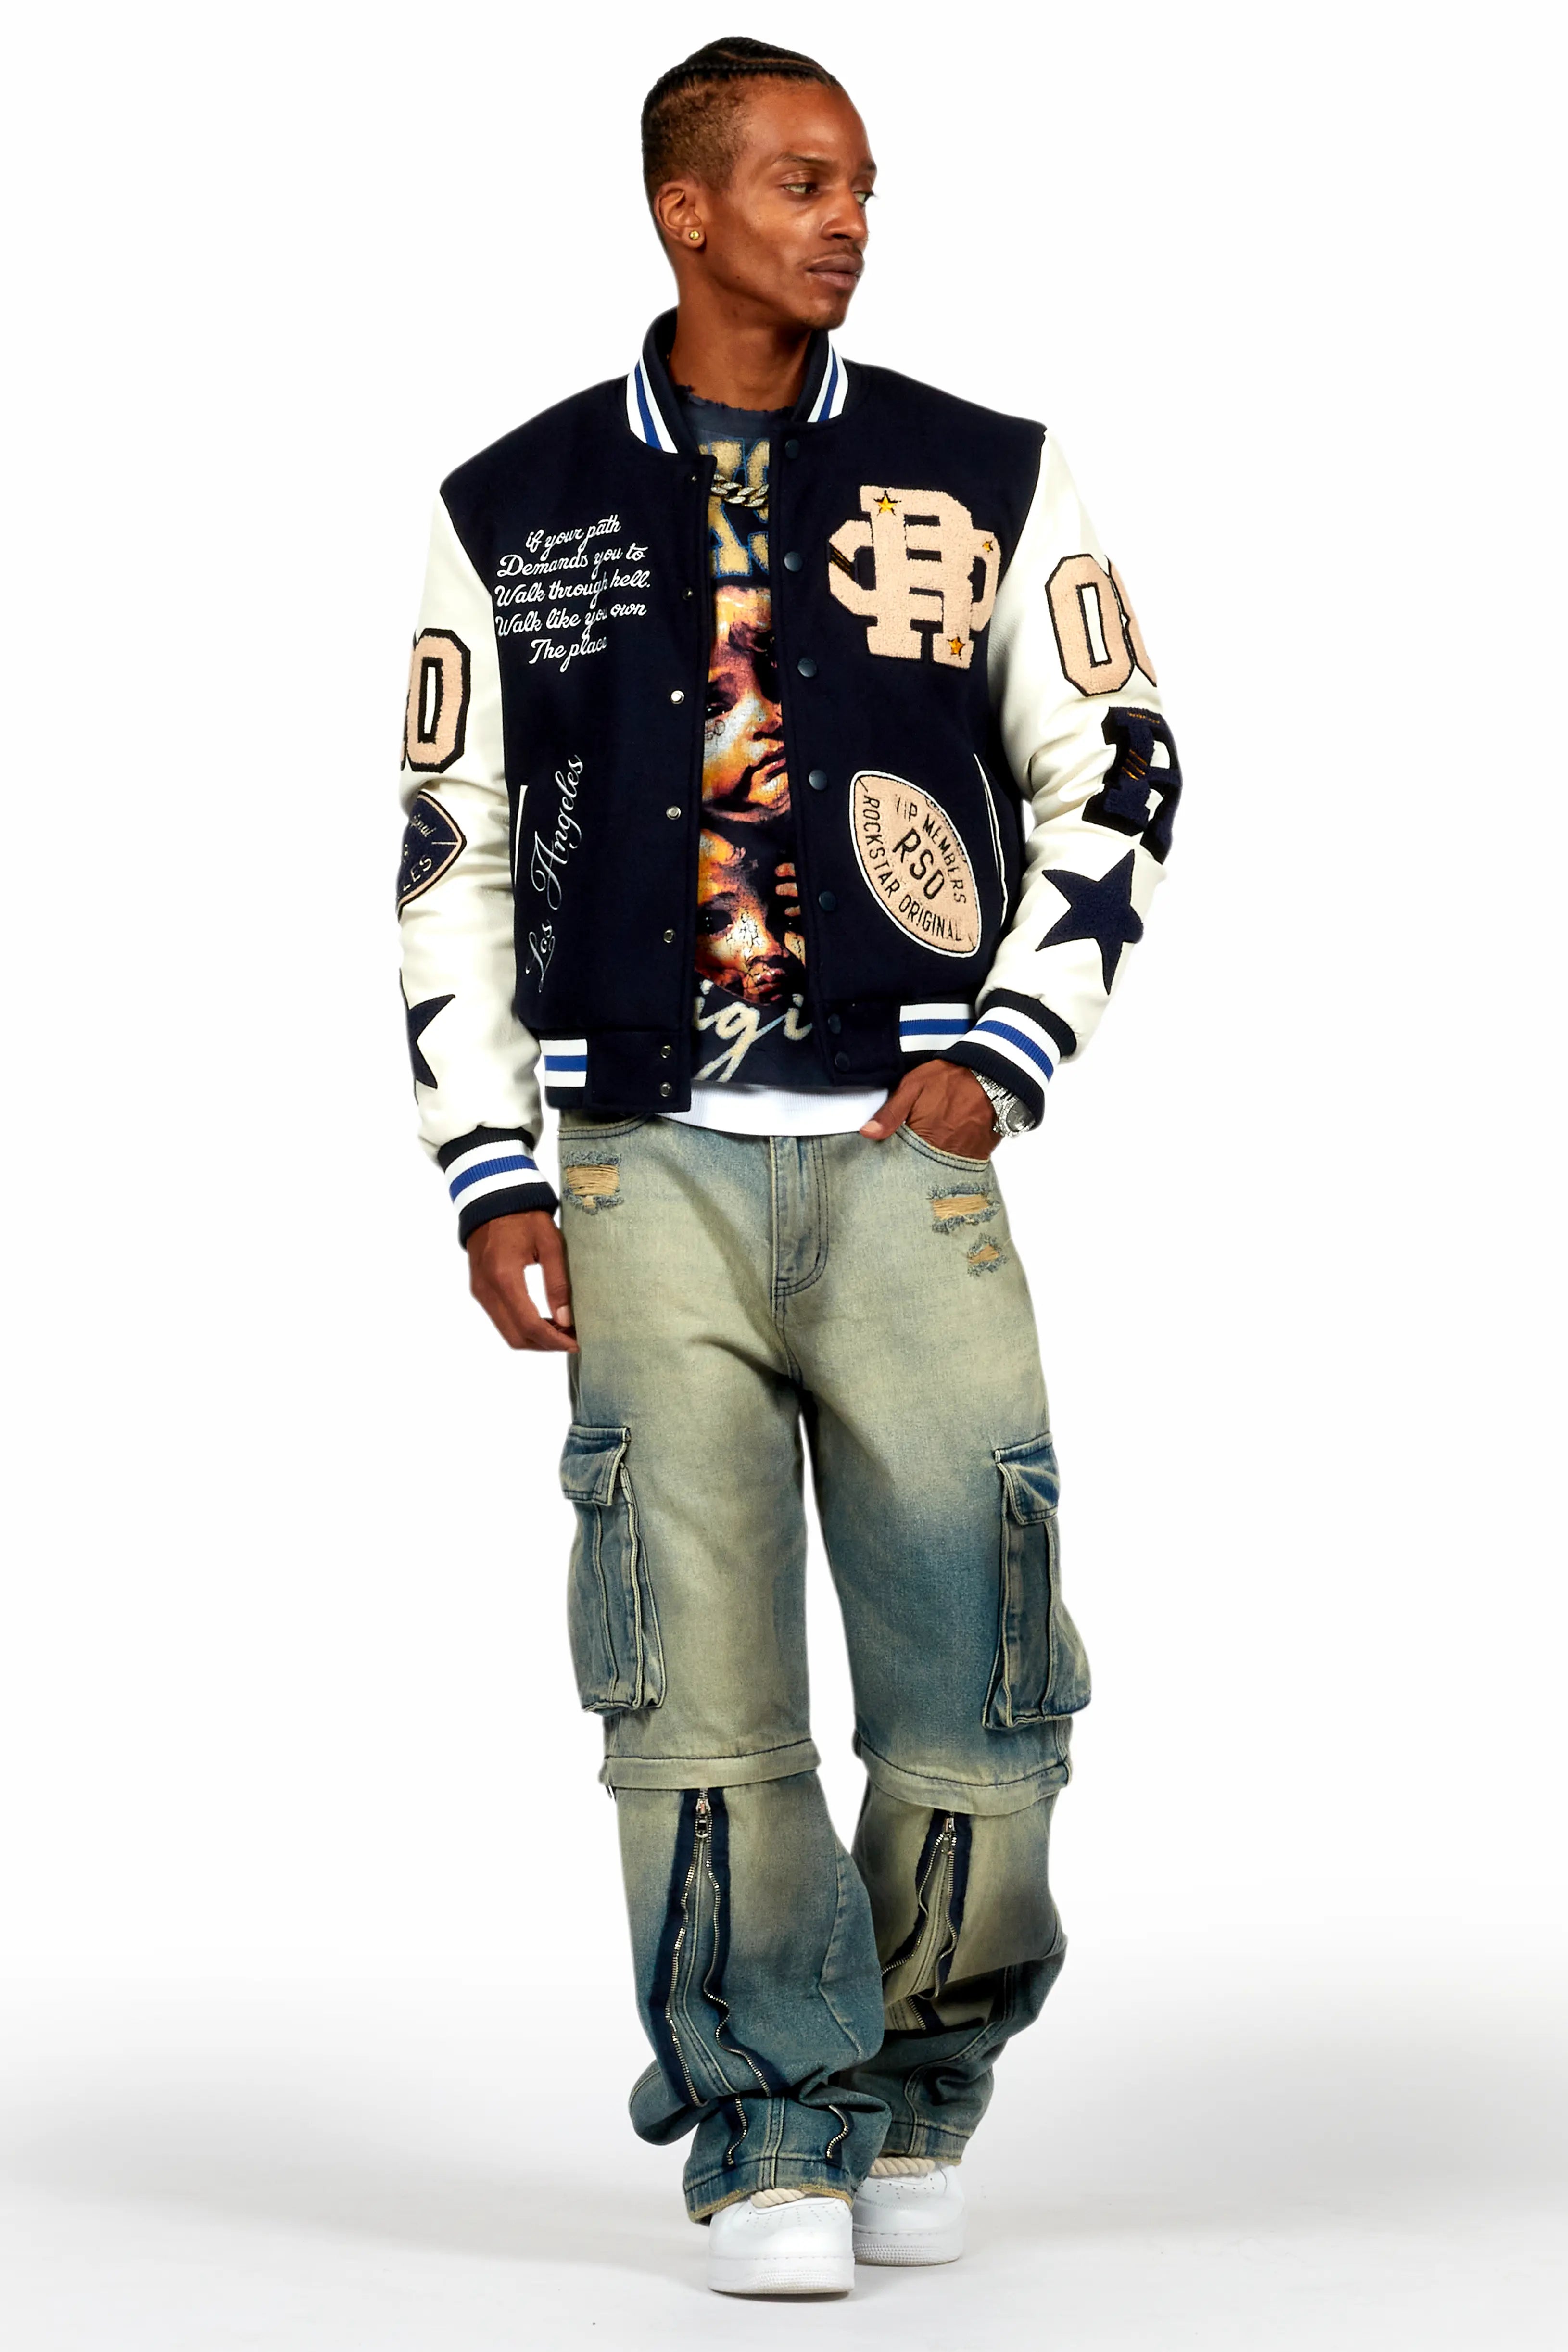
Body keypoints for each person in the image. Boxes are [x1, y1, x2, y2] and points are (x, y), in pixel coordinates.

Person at [396, 35, 1179, 2299]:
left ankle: (918, 2075)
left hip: (907, 1160)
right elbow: (447, 851)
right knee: (689, 1682)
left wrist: (1006, 1051)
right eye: (801, 181)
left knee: (985, 1661)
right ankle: (762, 2121)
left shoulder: (984, 474)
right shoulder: (511, 504)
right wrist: (490, 1165)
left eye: (860, 187)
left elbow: (1120, 759)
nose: (846, 220)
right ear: (684, 207)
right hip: (638, 1167)